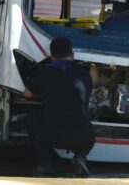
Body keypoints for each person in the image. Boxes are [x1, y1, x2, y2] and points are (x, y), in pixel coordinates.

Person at [24, 37, 95, 176]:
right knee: (88, 126)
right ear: (72, 56)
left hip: (54, 135)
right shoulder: (86, 75)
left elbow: (27, 94)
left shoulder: (46, 71)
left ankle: (45, 165)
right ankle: (80, 156)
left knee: (31, 119)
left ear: (51, 57)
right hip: (83, 137)